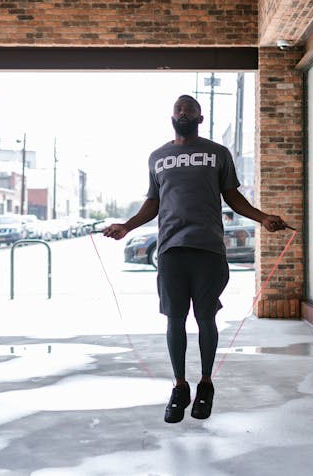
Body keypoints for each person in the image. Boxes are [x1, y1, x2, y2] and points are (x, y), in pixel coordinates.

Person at [103, 94, 290, 423]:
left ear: (200, 118)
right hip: (171, 250)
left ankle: (205, 384)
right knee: (174, 319)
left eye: (190, 109)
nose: (183, 112)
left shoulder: (217, 154)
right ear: (172, 116)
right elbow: (152, 203)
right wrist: (126, 226)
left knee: (206, 318)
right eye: (178, 108)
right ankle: (179, 386)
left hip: (209, 248)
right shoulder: (158, 157)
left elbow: (232, 196)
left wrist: (262, 217)